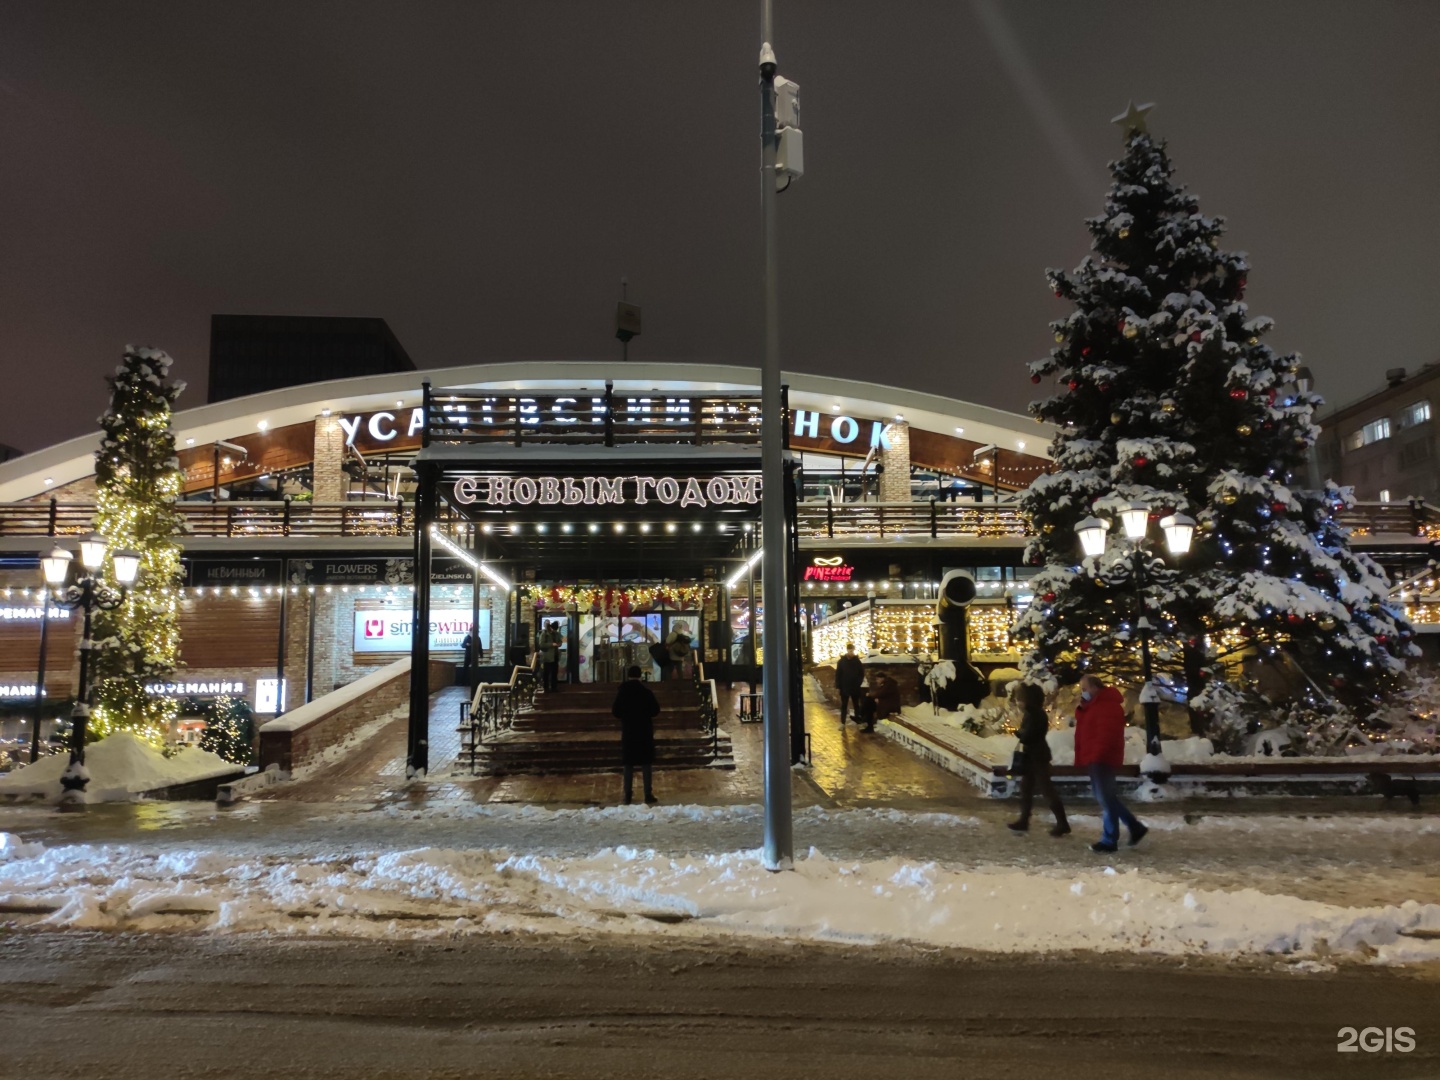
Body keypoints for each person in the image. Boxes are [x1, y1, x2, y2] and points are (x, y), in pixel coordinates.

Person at [1074, 673, 1147, 852]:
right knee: (1107, 798)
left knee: (1106, 799)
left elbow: (1105, 735)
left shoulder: (1106, 707)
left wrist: (1097, 755)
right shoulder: (1097, 706)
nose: (1083, 692)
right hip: (1097, 756)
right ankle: (1134, 827)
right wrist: (1084, 707)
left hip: (1101, 757)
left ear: (1094, 687)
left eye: (1085, 689)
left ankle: (1110, 840)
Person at [1007, 683, 1069, 837]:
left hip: (1037, 757)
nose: (1018, 701)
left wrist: (1019, 733)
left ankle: (1062, 823)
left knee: (1046, 789)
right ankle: (1024, 820)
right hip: (1034, 756)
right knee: (1027, 788)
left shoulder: (1035, 714)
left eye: (1021, 698)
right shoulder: (1033, 713)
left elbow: (1029, 735)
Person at [611, 664, 659, 804]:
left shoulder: (623, 692)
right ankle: (648, 794)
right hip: (644, 730)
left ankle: (627, 795)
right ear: (640, 676)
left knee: (628, 764)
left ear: (628, 676)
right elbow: (655, 710)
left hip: (629, 730)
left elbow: (616, 711)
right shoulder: (646, 692)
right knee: (646, 763)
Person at [835, 643, 865, 725]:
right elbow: (838, 674)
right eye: (850, 650)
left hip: (855, 687)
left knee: (856, 705)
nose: (851, 652)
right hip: (844, 687)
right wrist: (838, 686)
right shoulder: (841, 662)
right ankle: (842, 722)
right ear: (847, 650)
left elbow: (861, 673)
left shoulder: (857, 661)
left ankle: (858, 720)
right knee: (844, 705)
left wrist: (858, 682)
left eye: (852, 650)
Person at [538, 621, 562, 693]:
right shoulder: (544, 634)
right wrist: (551, 644)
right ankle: (546, 688)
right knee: (546, 673)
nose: (554, 631)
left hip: (555, 656)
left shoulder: (556, 634)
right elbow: (541, 644)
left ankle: (554, 687)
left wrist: (558, 644)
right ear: (551, 627)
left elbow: (560, 641)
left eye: (555, 629)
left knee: (555, 673)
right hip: (547, 657)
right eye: (553, 629)